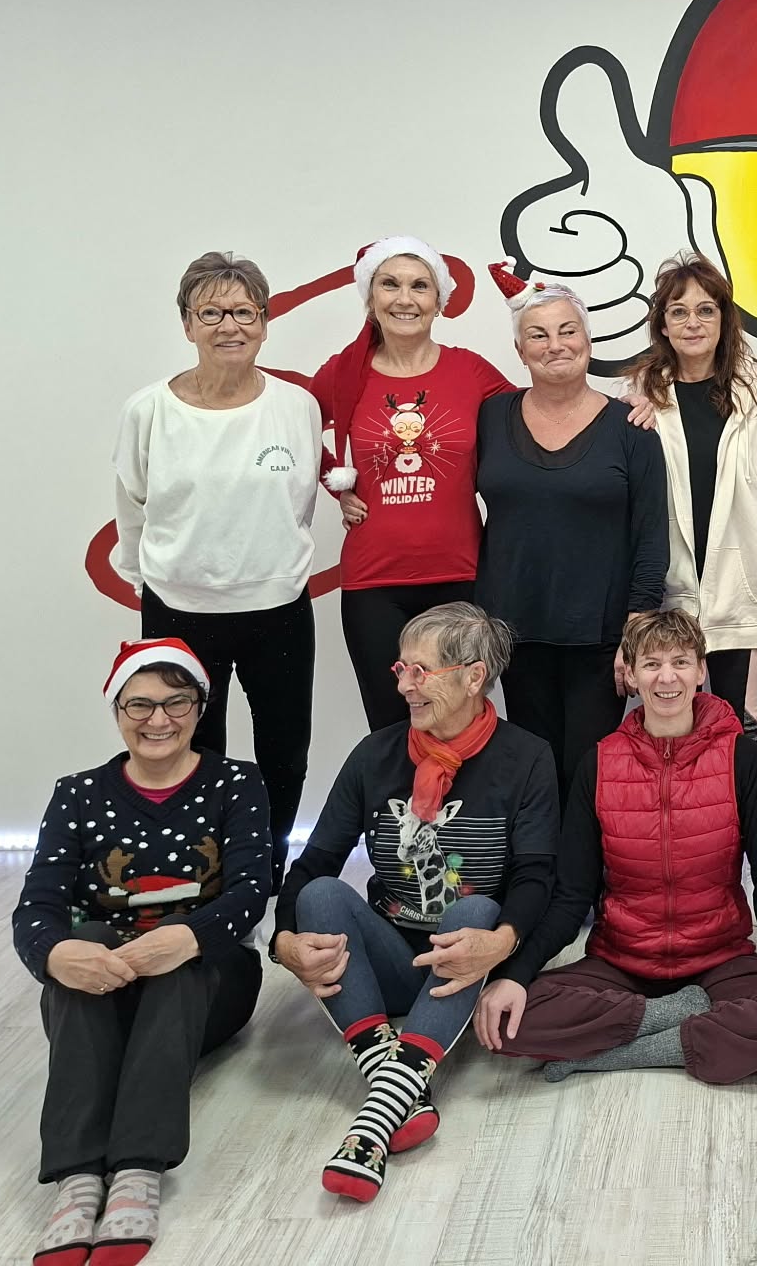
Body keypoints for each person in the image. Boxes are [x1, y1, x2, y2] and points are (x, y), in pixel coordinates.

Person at [272, 602, 558, 1203]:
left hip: (473, 958)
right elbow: (316, 862)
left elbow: (537, 875)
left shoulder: (527, 757)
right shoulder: (373, 755)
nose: (403, 685)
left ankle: (372, 1121)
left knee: (475, 910)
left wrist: (502, 942)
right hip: (393, 958)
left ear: (473, 677)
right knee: (321, 897)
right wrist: (283, 941)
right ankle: (397, 1092)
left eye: (420, 671)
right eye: (401, 668)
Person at [472, 610, 757, 1083]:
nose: (666, 678)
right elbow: (571, 895)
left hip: (720, 956)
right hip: (622, 959)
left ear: (701, 670)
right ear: (632, 675)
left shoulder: (740, 758)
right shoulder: (599, 762)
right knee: (507, 1020)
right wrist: (516, 975)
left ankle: (604, 1054)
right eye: (652, 664)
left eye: (680, 662)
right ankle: (682, 1016)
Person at [14, 639, 270, 1266]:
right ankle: (77, 1179)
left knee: (178, 963)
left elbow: (250, 891)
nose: (159, 719)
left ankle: (136, 1170)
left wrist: (188, 937)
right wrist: (53, 954)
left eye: (177, 703)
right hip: (108, 974)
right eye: (141, 704)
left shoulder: (236, 783)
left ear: (200, 708)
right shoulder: (77, 793)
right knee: (82, 948)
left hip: (209, 977)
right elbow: (36, 905)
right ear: (117, 710)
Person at [112, 250, 321, 883]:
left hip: (278, 607)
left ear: (264, 322)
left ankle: (267, 872)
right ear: (186, 324)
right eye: (211, 313)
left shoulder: (297, 405)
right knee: (190, 750)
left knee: (284, 753)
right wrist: (156, 580)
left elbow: (299, 503)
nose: (230, 326)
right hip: (179, 610)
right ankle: (204, 876)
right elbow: (132, 504)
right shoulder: (149, 410)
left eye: (244, 312)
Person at [315, 237, 516, 731]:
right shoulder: (344, 372)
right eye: (390, 284)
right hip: (374, 585)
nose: (405, 298)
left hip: (461, 577)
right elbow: (290, 426)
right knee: (391, 730)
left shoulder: (469, 370)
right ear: (370, 298)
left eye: (419, 286)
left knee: (460, 723)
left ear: (438, 301)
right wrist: (336, 481)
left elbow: (536, 419)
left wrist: (623, 408)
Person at [476, 279, 667, 794]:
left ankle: (585, 855)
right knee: (532, 778)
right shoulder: (490, 417)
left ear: (588, 339)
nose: (555, 344)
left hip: (601, 638)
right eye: (538, 335)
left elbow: (652, 538)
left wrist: (637, 632)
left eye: (567, 331)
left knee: (589, 778)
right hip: (514, 634)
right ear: (520, 350)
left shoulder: (632, 427)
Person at [630, 254, 757, 728]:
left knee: (739, 726)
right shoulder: (641, 398)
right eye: (679, 312)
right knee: (671, 726)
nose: (693, 322)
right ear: (663, 325)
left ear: (724, 320)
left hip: (740, 592)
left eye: (706, 310)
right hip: (668, 596)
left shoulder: (754, 398)